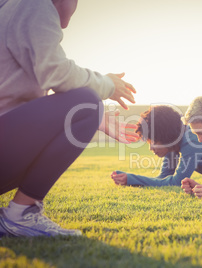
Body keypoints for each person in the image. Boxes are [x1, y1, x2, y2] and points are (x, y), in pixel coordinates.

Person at [0, 0, 137, 237]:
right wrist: (106, 85)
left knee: (88, 105)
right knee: (87, 100)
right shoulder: (33, 4)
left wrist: (97, 118)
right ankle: (21, 214)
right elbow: (57, 73)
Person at [111, 105, 202, 186]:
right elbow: (163, 178)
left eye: (153, 142)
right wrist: (129, 179)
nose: (151, 148)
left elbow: (176, 182)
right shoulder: (173, 146)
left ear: (166, 136)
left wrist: (132, 179)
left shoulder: (191, 139)